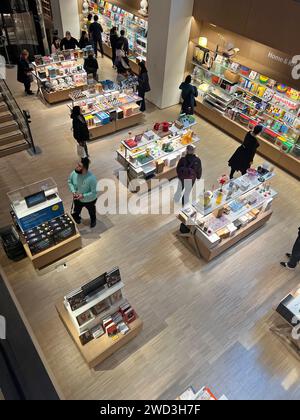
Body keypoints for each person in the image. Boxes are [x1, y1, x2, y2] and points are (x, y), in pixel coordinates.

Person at [68, 158, 98, 228]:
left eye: (79, 166)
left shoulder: (92, 178)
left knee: (92, 212)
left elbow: (94, 192)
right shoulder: (74, 173)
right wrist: (73, 191)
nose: (76, 167)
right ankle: (77, 217)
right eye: (78, 165)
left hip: (90, 200)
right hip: (77, 199)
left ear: (84, 168)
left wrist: (83, 195)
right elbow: (70, 182)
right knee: (76, 210)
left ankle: (93, 220)